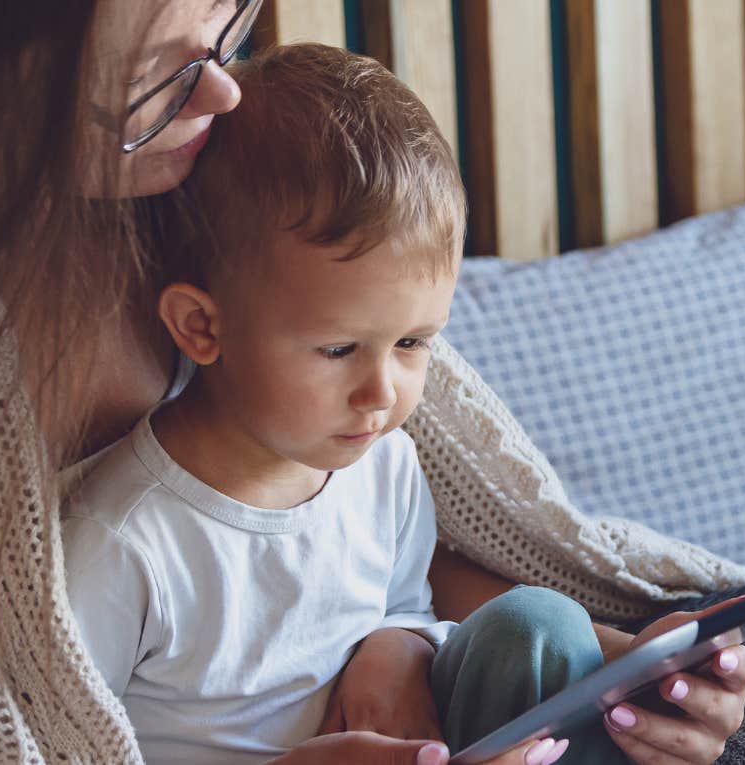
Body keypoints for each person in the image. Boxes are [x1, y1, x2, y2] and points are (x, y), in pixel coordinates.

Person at [0, 2, 553, 762]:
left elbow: (373, 557)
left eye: (228, 20)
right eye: (156, 76)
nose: (224, 89)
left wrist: (606, 661)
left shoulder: (256, 192)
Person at [61, 43, 576, 765]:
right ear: (203, 326)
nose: (382, 392)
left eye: (413, 342)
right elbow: (51, 744)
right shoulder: (125, 540)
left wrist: (395, 643)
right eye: (338, 350)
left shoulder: (384, 467)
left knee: (544, 625)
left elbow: (405, 603)